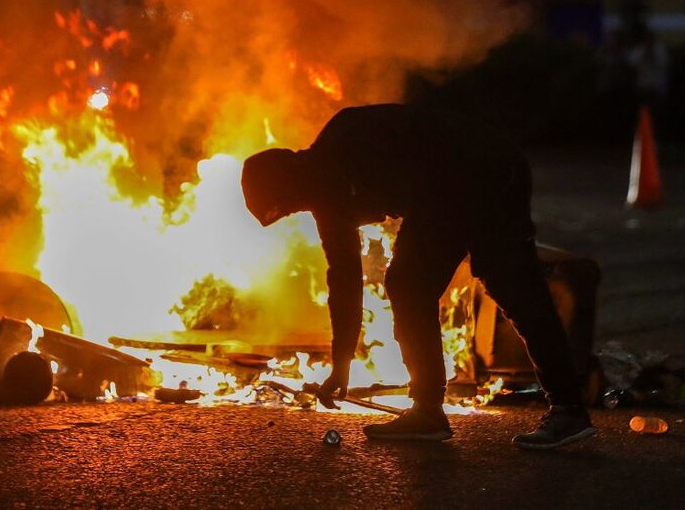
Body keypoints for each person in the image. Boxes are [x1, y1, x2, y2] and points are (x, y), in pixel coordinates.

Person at [241, 104, 595, 449]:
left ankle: (431, 411)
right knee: (501, 286)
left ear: (290, 179)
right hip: (482, 173)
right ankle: (565, 411)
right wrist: (341, 363)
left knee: (417, 283)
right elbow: (344, 276)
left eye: (285, 206)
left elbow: (436, 178)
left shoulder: (349, 138)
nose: (294, 212)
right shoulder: (325, 194)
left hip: (477, 168)